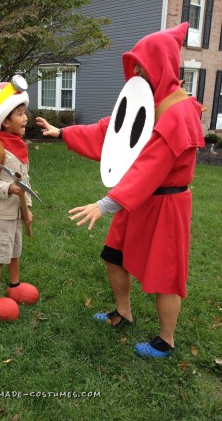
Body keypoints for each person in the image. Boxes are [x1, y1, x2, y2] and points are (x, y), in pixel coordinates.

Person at [36, 22, 204, 357]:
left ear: (162, 64)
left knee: (165, 275)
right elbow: (111, 131)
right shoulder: (148, 101)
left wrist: (107, 203)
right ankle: (123, 312)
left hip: (165, 205)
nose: (138, 70)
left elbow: (152, 165)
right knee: (114, 256)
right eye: (135, 64)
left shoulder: (180, 111)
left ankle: (166, 340)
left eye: (144, 64)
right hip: (138, 200)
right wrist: (63, 133)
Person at [0, 76, 39, 321]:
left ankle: (14, 286)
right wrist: (8, 189)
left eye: (25, 113)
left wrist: (28, 207)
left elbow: (26, 181)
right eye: (20, 114)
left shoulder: (20, 147)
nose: (26, 118)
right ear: (4, 121)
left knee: (14, 250)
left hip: (15, 213)